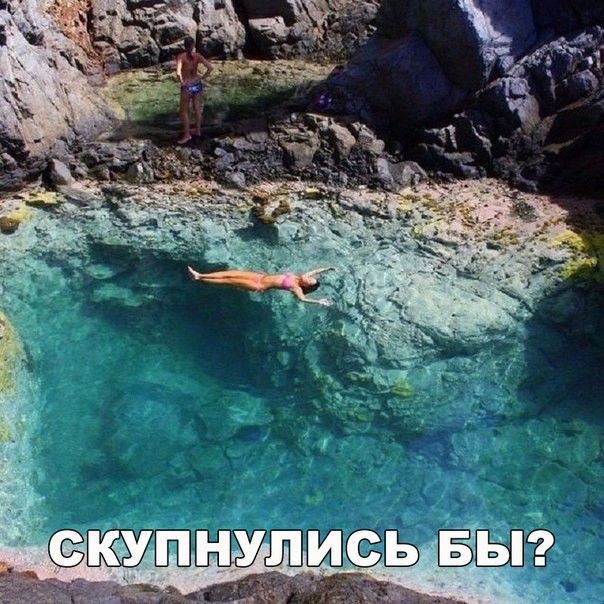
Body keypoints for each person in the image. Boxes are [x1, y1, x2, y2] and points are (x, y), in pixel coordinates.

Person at [187, 266, 335, 306]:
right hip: (259, 276)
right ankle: (201, 274)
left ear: (305, 285)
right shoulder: (299, 277)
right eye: (310, 278)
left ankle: (198, 278)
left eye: (309, 281)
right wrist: (327, 269)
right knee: (230, 273)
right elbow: (315, 271)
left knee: (229, 280)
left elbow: (302, 299)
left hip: (257, 285)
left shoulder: (296, 287)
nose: (309, 278)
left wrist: (318, 301)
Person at [175, 36, 213, 145]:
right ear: (193, 46)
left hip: (187, 86)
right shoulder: (197, 56)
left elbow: (178, 73)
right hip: (197, 84)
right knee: (197, 108)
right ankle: (198, 131)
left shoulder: (181, 57)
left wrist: (182, 82)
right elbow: (210, 68)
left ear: (184, 46)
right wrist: (202, 78)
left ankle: (187, 135)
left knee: (184, 111)